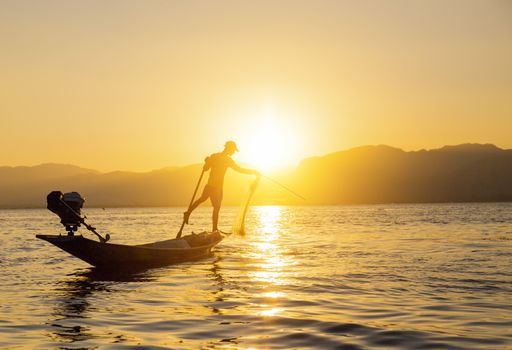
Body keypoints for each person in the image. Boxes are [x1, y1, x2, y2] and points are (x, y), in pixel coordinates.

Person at [184, 141, 259, 232]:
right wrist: (207, 162)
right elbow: (206, 169)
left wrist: (208, 161)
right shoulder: (223, 159)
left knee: (203, 200)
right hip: (215, 188)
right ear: (229, 148)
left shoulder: (216, 157)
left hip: (212, 186)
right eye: (233, 150)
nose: (233, 152)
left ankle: (188, 213)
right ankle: (214, 229)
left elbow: (206, 169)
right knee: (216, 207)